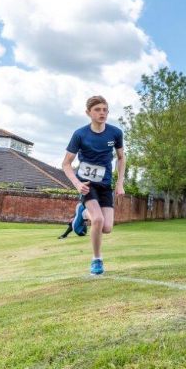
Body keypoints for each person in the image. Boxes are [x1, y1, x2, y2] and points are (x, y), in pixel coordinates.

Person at [61, 95, 125, 275]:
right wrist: (76, 184)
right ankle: (97, 260)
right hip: (87, 184)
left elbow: (121, 158)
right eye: (97, 110)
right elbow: (66, 163)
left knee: (107, 227)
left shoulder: (115, 133)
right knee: (97, 219)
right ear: (88, 113)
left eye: (105, 109)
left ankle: (81, 213)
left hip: (105, 185)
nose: (102, 113)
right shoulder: (80, 134)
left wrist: (120, 183)